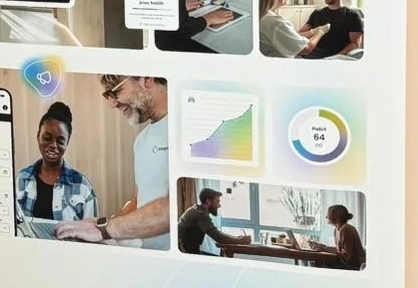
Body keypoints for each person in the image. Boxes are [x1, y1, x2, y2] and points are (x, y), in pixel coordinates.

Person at [55, 74, 171, 247]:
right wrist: (101, 225)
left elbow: (176, 208)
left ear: (147, 78)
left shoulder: (189, 129)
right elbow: (139, 202)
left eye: (115, 92)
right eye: (108, 96)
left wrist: (105, 229)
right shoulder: (141, 140)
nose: (112, 104)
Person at [14, 101, 96, 228]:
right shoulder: (22, 179)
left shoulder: (83, 187)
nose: (53, 145)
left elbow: (92, 232)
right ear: (38, 136)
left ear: (67, 143)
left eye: (60, 141)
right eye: (47, 138)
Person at [256, 0, 322, 58]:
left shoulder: (262, 16)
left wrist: (312, 32)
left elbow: (291, 37)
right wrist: (320, 32)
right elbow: (306, 49)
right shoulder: (276, 22)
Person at [300, 0, 364, 59]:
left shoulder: (352, 16)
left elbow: (355, 44)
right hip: (313, 54)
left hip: (336, 57)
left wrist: (335, 58)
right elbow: (299, 34)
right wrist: (314, 32)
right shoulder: (317, 13)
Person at [177, 186, 246, 256]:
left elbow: (216, 233)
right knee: (221, 260)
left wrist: (236, 238)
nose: (219, 205)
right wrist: (240, 240)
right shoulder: (201, 214)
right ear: (208, 201)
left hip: (187, 250)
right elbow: (218, 236)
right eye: (217, 201)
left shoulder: (196, 209)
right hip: (186, 253)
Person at [309, 203, 366, 271]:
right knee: (313, 261)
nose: (326, 217)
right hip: (345, 264)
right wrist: (321, 246)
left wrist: (324, 248)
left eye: (329, 214)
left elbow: (346, 257)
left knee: (315, 262)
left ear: (336, 216)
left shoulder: (346, 229)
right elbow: (339, 251)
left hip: (352, 266)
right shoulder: (336, 230)